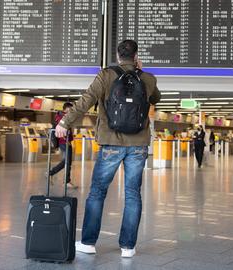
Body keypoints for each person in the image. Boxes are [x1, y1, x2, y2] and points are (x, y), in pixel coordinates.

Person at [55, 40, 161, 258]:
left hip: (111, 141)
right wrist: (140, 72)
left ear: (117, 54)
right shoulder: (148, 78)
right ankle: (128, 247)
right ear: (136, 55)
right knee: (133, 194)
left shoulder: (106, 75)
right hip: (138, 145)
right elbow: (156, 98)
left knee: (98, 192)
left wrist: (64, 123)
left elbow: (85, 101)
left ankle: (88, 242)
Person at [49, 102, 77, 189]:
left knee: (67, 161)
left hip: (64, 141)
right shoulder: (62, 117)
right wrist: (66, 139)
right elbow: (61, 129)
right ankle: (55, 175)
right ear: (67, 109)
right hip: (64, 142)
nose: (71, 111)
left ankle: (55, 175)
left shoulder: (59, 116)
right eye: (71, 109)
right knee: (67, 161)